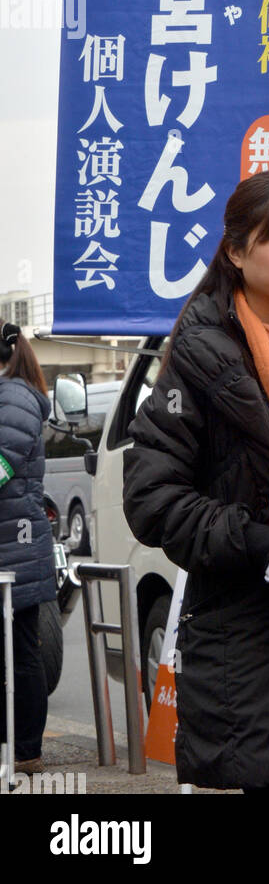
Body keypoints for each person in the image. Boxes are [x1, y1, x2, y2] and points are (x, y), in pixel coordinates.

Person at [123, 171, 269, 793]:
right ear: (236, 251)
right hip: (246, 638)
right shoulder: (197, 355)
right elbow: (153, 498)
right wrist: (265, 547)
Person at [0, 321, 56, 772]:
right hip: (12, 541)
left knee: (21, 651)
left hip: (14, 545)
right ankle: (21, 748)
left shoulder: (13, 398)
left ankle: (26, 751)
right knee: (18, 650)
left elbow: (2, 464)